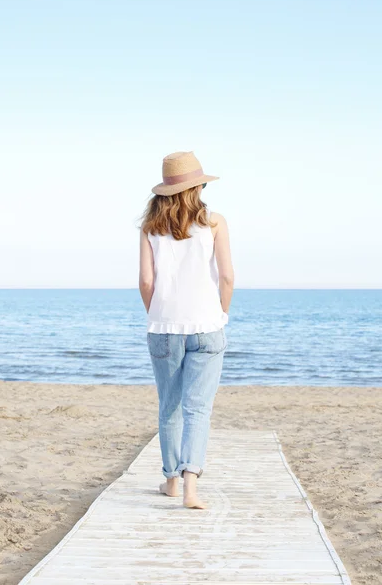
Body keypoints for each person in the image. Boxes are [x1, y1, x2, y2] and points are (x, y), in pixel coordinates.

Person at [139, 150, 234, 509]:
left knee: (170, 407)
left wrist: (159, 315)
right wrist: (221, 314)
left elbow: (146, 281)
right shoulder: (214, 222)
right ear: (199, 186)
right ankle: (191, 486)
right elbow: (227, 276)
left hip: (163, 327)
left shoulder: (150, 227)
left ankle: (171, 482)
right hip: (207, 326)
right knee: (198, 409)